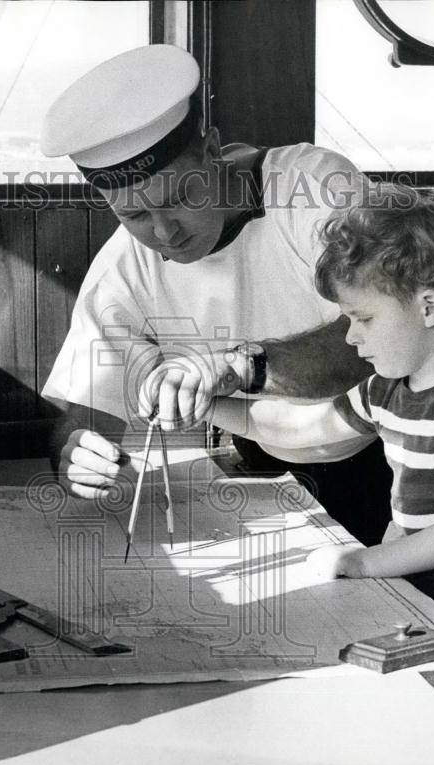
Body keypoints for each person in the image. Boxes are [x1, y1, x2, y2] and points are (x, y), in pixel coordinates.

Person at [40, 44, 392, 546]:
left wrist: (233, 366)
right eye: (134, 215)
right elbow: (84, 413)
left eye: (180, 197)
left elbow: (382, 332)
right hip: (271, 470)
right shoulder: (124, 266)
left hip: (401, 452)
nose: (164, 232)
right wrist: (75, 455)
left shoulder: (312, 187)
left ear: (211, 150)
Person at [207, 184, 434, 664]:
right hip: (432, 576)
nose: (350, 336)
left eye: (362, 318)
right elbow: (298, 427)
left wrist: (365, 561)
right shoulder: (387, 388)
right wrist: (206, 406)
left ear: (428, 308)